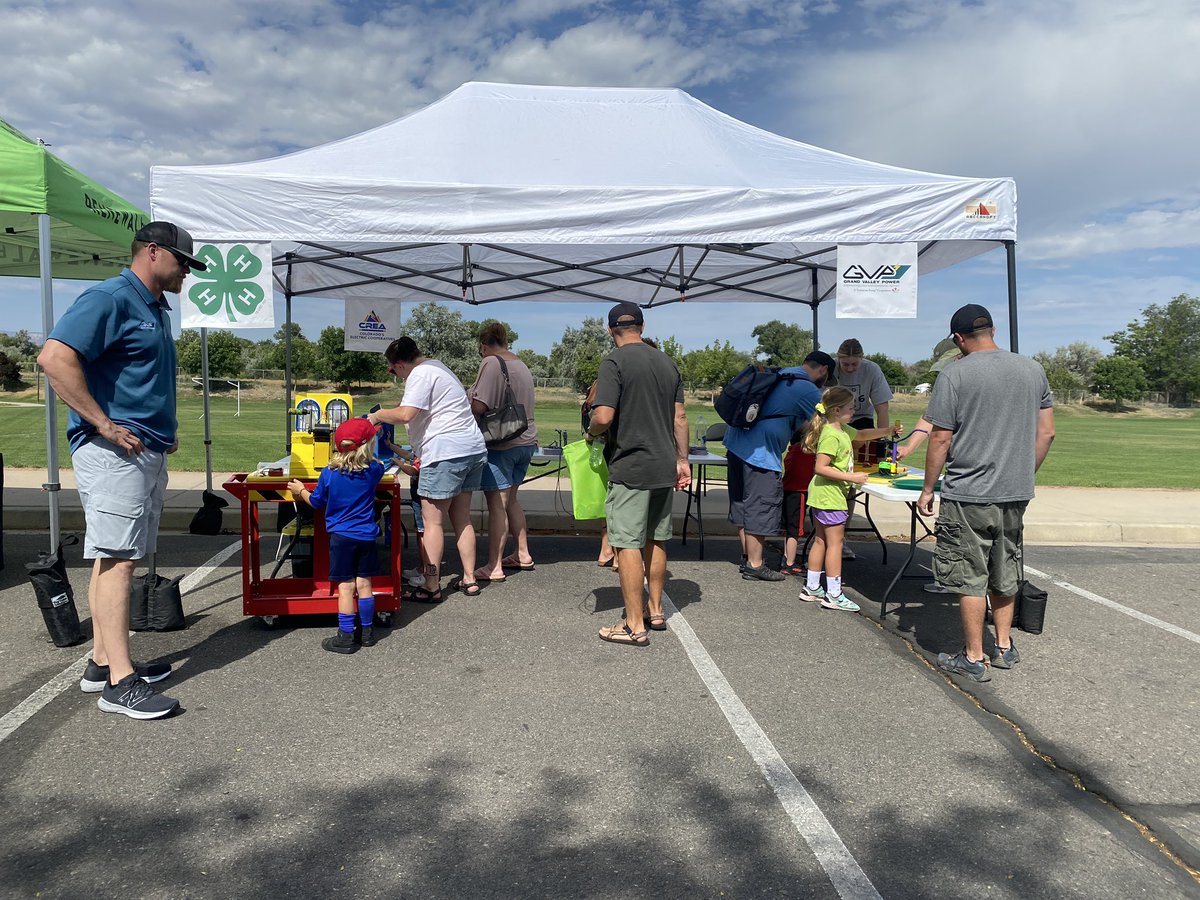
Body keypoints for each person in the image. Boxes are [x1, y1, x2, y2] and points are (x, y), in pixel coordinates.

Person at [37, 221, 207, 719]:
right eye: (182, 263)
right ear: (153, 252)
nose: (186, 274)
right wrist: (105, 425)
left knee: (111, 556)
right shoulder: (110, 297)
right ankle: (120, 683)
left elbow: (141, 378)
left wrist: (162, 426)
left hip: (143, 449)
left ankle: (101, 662)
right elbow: (54, 358)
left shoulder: (154, 305)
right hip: (115, 453)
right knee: (118, 560)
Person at [917, 304, 1055, 681]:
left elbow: (940, 437)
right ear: (992, 330)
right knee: (1005, 567)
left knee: (969, 574)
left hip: (969, 492)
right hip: (1015, 490)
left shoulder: (954, 374)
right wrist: (1024, 473)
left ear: (958, 339)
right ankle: (1006, 646)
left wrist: (929, 487)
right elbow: (1047, 432)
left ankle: (975, 657)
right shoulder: (1032, 369)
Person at [586, 303, 690, 646]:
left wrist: (590, 433)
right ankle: (655, 609)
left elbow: (603, 415)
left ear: (610, 329)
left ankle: (633, 625)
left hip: (631, 465)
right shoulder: (667, 361)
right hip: (664, 464)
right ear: (642, 327)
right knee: (656, 538)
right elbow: (680, 418)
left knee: (626, 543)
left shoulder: (613, 362)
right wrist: (683, 460)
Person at [368, 336, 488, 601]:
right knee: (462, 518)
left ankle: (431, 585)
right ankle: (469, 578)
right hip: (471, 449)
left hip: (445, 452)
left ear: (399, 364)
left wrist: (376, 416)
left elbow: (405, 414)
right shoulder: (439, 367)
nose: (395, 376)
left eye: (392, 370)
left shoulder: (421, 374)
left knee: (432, 522)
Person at [722, 350, 833, 581]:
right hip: (760, 453)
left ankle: (747, 557)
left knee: (742, 503)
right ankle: (755, 564)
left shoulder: (781, 374)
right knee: (760, 506)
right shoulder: (809, 389)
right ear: (823, 370)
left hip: (735, 443)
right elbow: (828, 424)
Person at [799, 387, 902, 610]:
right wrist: (851, 476)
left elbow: (863, 435)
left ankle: (812, 587)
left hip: (823, 495)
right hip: (830, 496)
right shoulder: (832, 435)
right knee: (835, 545)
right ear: (837, 410)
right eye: (851, 407)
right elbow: (820, 467)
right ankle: (834, 594)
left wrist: (888, 429)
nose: (854, 410)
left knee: (821, 541)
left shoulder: (842, 429)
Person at [289, 418, 385, 653]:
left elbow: (316, 501)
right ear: (367, 445)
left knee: (345, 587)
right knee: (364, 584)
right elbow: (377, 467)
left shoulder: (330, 473)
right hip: (366, 535)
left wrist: (300, 490)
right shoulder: (375, 470)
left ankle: (345, 636)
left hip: (341, 537)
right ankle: (367, 631)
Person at [468, 323, 538, 581]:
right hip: (526, 441)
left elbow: (479, 406)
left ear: (484, 345)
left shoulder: (490, 363)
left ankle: (494, 566)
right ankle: (522, 553)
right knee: (512, 501)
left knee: (497, 505)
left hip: (501, 443)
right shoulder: (522, 365)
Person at [778, 428, 814, 577]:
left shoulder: (792, 450)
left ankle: (787, 558)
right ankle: (790, 564)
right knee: (795, 531)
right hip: (799, 492)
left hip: (787, 490)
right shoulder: (806, 454)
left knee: (789, 528)